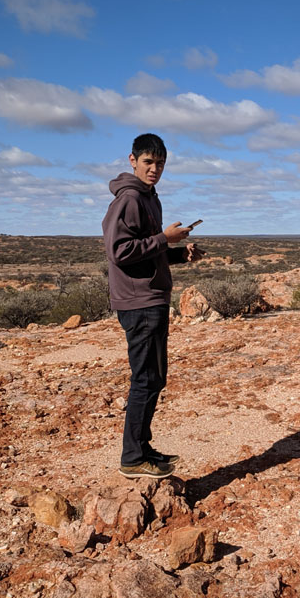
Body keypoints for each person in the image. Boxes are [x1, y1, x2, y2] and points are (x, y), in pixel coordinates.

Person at [102, 133, 204, 479]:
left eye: (160, 163)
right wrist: (164, 238)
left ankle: (142, 449)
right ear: (132, 160)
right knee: (146, 379)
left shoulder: (149, 197)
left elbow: (142, 252)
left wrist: (177, 254)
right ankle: (132, 457)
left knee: (154, 378)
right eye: (148, 162)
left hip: (152, 297)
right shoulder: (129, 199)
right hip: (139, 302)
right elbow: (118, 252)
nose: (154, 169)